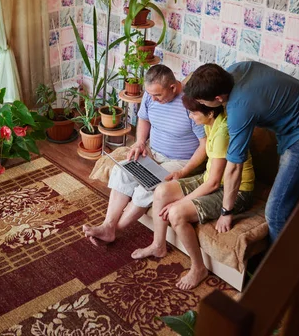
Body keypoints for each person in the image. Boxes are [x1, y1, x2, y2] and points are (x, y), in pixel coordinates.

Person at [183, 61, 299, 241]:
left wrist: (226, 211)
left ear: (218, 99)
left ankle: (281, 266)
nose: (200, 105)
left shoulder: (240, 108)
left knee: (275, 212)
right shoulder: (234, 70)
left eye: (201, 102)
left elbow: (234, 167)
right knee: (290, 198)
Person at [132, 96, 255, 290]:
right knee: (162, 190)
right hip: (211, 179)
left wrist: (179, 204)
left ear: (210, 111)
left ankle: (198, 267)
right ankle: (158, 245)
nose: (190, 116)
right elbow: (208, 161)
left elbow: (214, 184)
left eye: (193, 113)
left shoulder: (223, 132)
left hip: (236, 190)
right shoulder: (210, 122)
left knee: (176, 214)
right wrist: (182, 172)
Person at [83, 65, 207, 245]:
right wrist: (140, 142)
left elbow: (204, 145)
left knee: (147, 187)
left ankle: (113, 230)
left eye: (158, 95)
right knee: (121, 172)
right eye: (151, 95)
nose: (153, 99)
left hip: (180, 161)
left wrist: (185, 170)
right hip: (152, 151)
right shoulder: (150, 96)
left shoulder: (190, 104)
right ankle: (107, 225)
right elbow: (144, 119)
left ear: (173, 87)